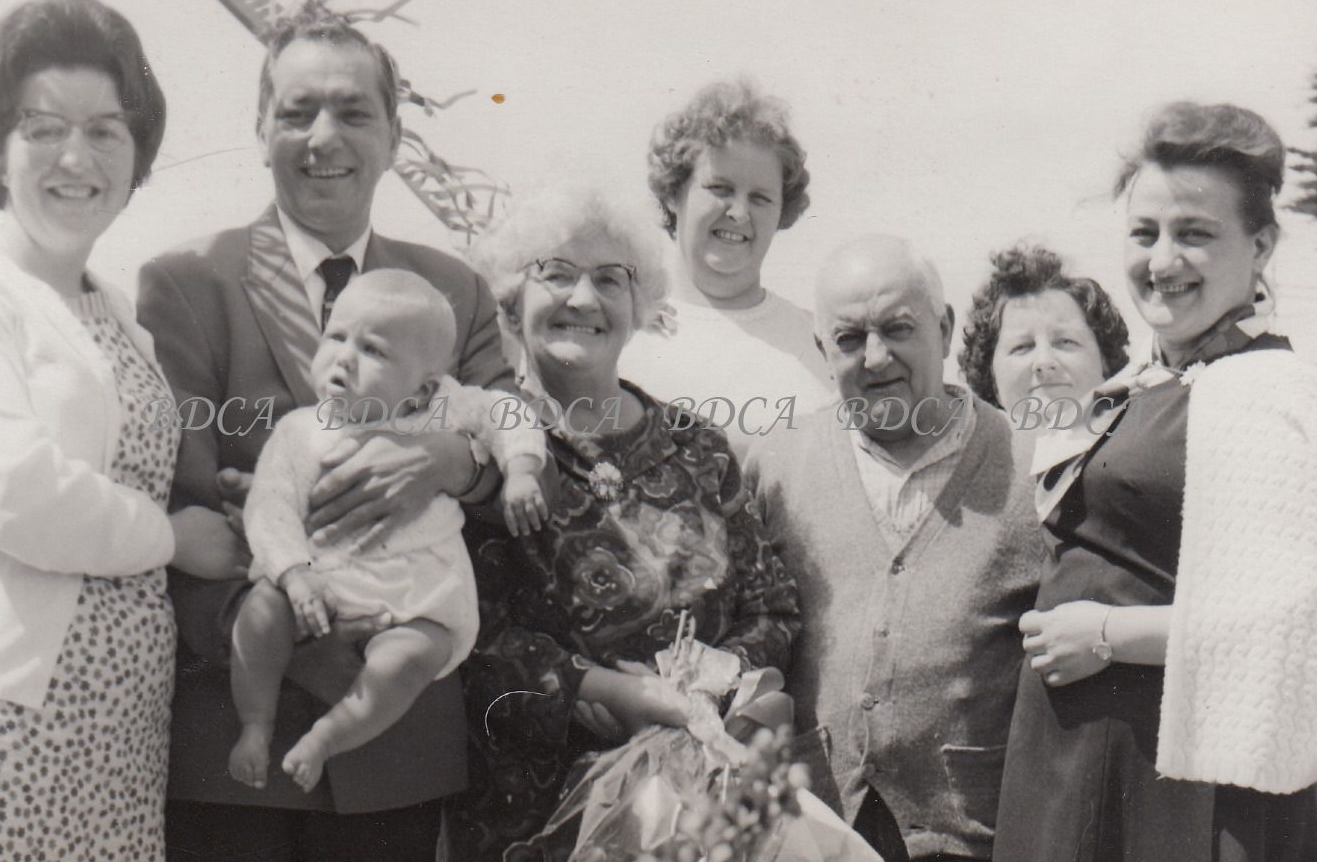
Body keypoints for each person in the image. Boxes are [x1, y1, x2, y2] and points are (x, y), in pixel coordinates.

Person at [137, 10, 512, 862]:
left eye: (352, 112)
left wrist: (453, 463)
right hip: (237, 746)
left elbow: (524, 465)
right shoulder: (187, 282)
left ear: (394, 135)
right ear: (259, 127)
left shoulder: (454, 290)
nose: (323, 138)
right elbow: (179, 512)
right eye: (297, 111)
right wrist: (312, 655)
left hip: (399, 747)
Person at [0, 0, 247, 860]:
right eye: (42, 128)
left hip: (117, 731)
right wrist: (172, 537)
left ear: (138, 153)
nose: (76, 158)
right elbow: (18, 493)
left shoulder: (118, 313)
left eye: (105, 131)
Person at [993, 102, 1317, 862]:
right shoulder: (1146, 386)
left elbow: (1290, 626)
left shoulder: (1269, 391)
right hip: (1074, 767)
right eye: (1144, 233)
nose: (1162, 260)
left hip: (1186, 790)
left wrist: (1104, 636)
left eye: (1195, 234)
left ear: (1261, 245)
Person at [442, 186, 800, 861]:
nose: (583, 298)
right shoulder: (480, 453)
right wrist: (600, 690)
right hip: (539, 825)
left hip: (705, 814)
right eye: (556, 274)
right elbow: (467, 635)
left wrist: (699, 691)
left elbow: (773, 608)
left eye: (610, 279)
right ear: (511, 302)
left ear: (638, 305)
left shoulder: (700, 448)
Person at [746, 236, 1046, 862]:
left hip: (973, 837)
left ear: (945, 328)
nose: (876, 356)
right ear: (821, 350)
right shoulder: (776, 465)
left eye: (898, 329)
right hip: (812, 828)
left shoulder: (1034, 470)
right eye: (850, 339)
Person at [230, 270, 547, 793]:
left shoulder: (443, 408)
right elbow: (270, 507)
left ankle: (327, 737)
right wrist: (294, 574)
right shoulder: (300, 432)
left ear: (422, 387)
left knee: (413, 657)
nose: (343, 359)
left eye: (372, 350)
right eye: (336, 337)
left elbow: (506, 411)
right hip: (319, 584)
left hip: (415, 596)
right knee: (260, 611)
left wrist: (521, 470)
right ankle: (255, 724)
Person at [622, 79, 834, 453]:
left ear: (782, 211)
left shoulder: (819, 342)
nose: (738, 212)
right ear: (673, 193)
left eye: (760, 198)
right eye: (720, 189)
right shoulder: (620, 330)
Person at [957, 244, 1129, 467]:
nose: (1044, 362)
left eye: (1066, 341)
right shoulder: (966, 472)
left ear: (1104, 361)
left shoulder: (1142, 454)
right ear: (991, 376)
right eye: (1022, 347)